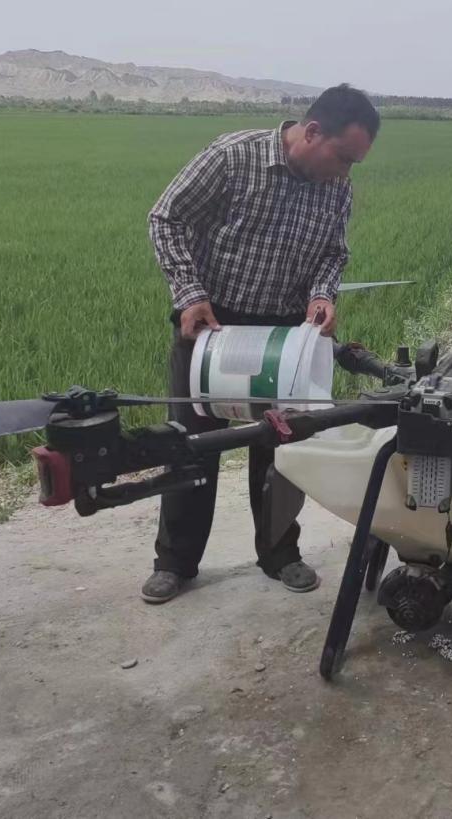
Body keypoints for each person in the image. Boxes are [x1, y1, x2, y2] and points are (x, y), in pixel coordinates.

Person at [140, 84, 378, 604]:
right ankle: (175, 563)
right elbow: (166, 218)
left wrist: (322, 294)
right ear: (312, 132)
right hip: (211, 325)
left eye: (354, 164)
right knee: (191, 445)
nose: (345, 173)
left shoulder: (337, 187)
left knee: (280, 448)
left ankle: (279, 553)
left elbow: (333, 253)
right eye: (343, 157)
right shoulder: (233, 157)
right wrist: (189, 294)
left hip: (284, 336)